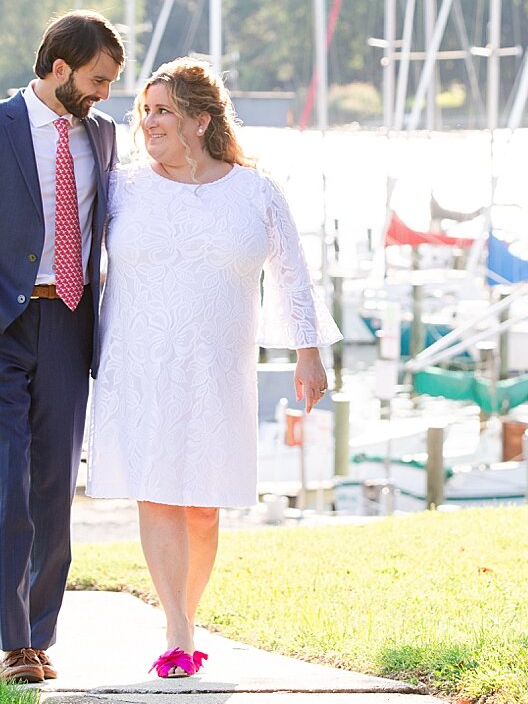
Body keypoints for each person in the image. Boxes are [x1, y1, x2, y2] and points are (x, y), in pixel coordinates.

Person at [86, 55, 339, 679]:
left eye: (163, 111)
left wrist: (308, 353)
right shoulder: (123, 187)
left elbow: (292, 275)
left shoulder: (255, 191)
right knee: (157, 491)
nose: (148, 122)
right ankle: (177, 630)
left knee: (203, 503)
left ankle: (187, 618)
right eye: (144, 110)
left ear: (199, 120)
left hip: (218, 369)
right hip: (139, 363)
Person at [0, 10, 123, 685]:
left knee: (53, 491)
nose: (103, 94)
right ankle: (14, 645)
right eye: (96, 79)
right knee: (6, 483)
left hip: (70, 325)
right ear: (59, 66)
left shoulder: (104, 136)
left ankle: (42, 634)